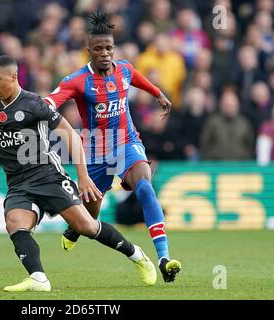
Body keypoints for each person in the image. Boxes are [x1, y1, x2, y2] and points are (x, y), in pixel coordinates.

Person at [0, 55, 158, 292]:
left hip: (48, 176)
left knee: (86, 227)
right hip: (17, 183)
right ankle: (38, 279)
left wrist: (83, 176)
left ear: (13, 77)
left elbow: (70, 135)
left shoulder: (35, 104)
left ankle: (137, 255)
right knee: (15, 223)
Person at [44, 12, 181, 282]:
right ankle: (76, 229)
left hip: (127, 142)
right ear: (89, 51)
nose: (105, 53)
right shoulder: (77, 80)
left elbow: (137, 78)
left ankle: (163, 257)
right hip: (95, 152)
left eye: (109, 48)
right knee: (88, 218)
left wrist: (158, 93)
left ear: (113, 48)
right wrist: (24, 116)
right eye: (98, 49)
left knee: (144, 186)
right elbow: (49, 102)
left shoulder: (125, 69)